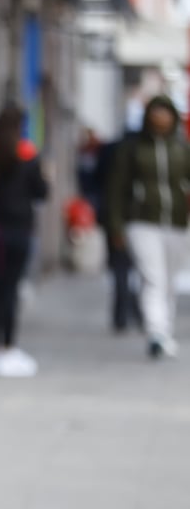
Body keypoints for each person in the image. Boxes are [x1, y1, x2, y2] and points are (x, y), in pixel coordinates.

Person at [105, 95, 190, 359]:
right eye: (156, 112)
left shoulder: (182, 148)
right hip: (142, 221)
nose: (161, 118)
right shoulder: (132, 148)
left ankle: (164, 331)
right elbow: (116, 189)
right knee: (152, 277)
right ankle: (156, 331)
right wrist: (116, 226)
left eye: (166, 113)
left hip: (177, 221)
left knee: (168, 280)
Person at [0, 105, 49, 378]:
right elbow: (41, 193)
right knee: (9, 291)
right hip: (17, 233)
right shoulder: (27, 154)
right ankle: (7, 347)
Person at [94, 129, 143, 333]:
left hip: (125, 219)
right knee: (131, 269)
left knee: (122, 268)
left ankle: (124, 315)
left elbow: (96, 179)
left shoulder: (111, 150)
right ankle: (133, 314)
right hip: (126, 219)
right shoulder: (132, 153)